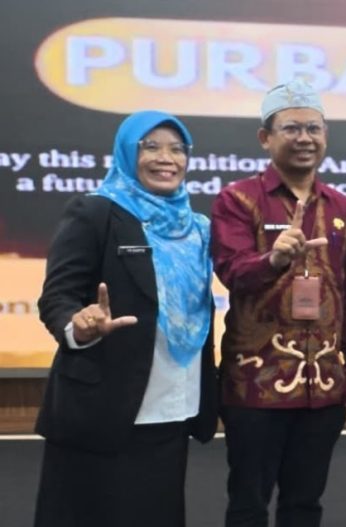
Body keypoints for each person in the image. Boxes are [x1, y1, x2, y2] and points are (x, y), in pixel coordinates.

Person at [34, 111, 218, 527]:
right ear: (126, 153)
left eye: (177, 149)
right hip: (103, 406)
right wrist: (79, 326)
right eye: (150, 147)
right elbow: (57, 296)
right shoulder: (96, 212)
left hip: (174, 402)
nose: (166, 158)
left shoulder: (197, 228)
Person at [211, 79, 346, 526]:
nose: (304, 138)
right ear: (265, 137)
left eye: (313, 129)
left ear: (325, 135)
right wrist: (274, 260)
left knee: (305, 504)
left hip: (325, 384)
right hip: (256, 383)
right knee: (248, 504)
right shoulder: (238, 200)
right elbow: (232, 272)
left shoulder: (342, 207)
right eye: (292, 128)